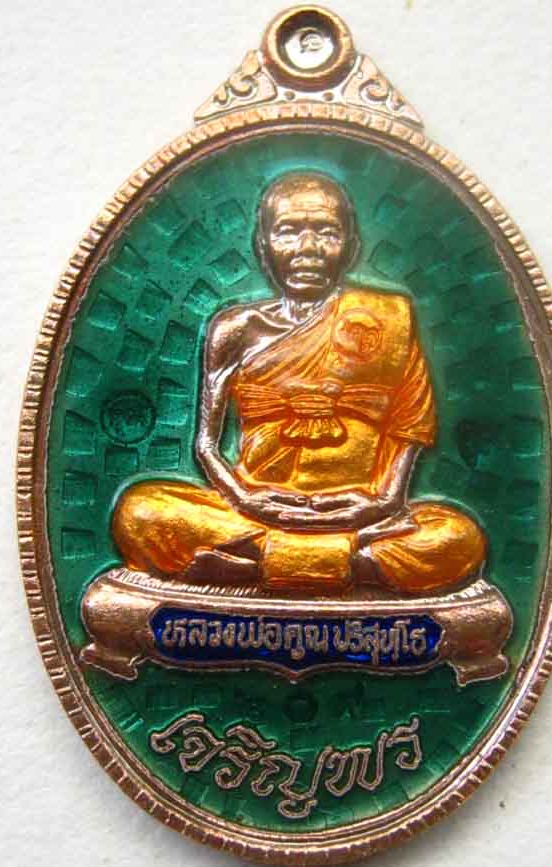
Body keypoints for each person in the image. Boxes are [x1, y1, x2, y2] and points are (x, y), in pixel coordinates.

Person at [112, 172, 485, 596]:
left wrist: (384, 501)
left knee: (457, 537)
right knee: (140, 512)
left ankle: (260, 564)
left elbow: (410, 426)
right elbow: (206, 445)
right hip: (253, 511)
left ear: (351, 246)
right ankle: (347, 563)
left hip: (361, 514)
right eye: (289, 231)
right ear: (263, 245)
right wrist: (243, 498)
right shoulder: (235, 328)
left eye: (326, 232)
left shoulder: (387, 319)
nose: (308, 248)